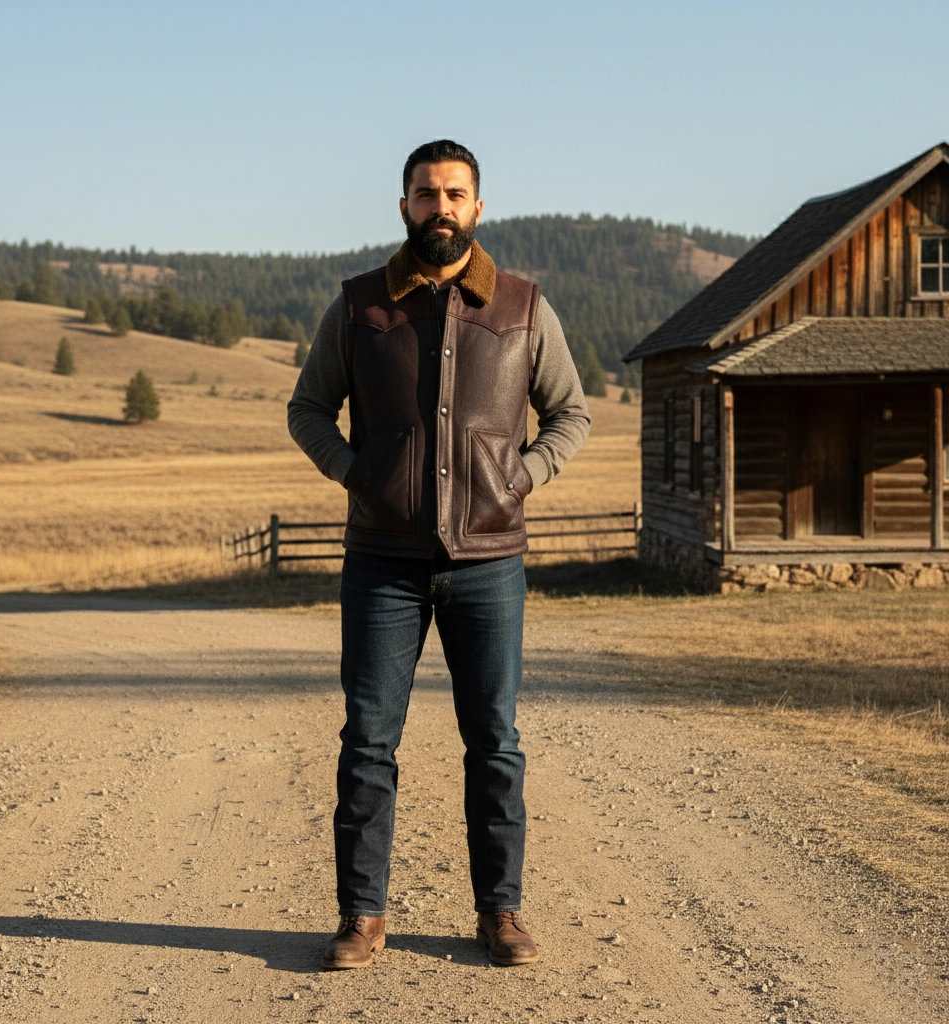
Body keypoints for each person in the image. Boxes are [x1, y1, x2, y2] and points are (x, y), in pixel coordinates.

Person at [287, 139, 590, 969]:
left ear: (478, 207)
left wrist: (518, 479)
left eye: (455, 194)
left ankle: (501, 913)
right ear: (405, 206)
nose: (441, 208)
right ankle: (362, 917)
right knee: (367, 742)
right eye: (427, 194)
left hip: (489, 564)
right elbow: (308, 409)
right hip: (381, 561)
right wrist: (360, 476)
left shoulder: (523, 307)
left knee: (494, 741)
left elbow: (570, 414)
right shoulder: (359, 306)